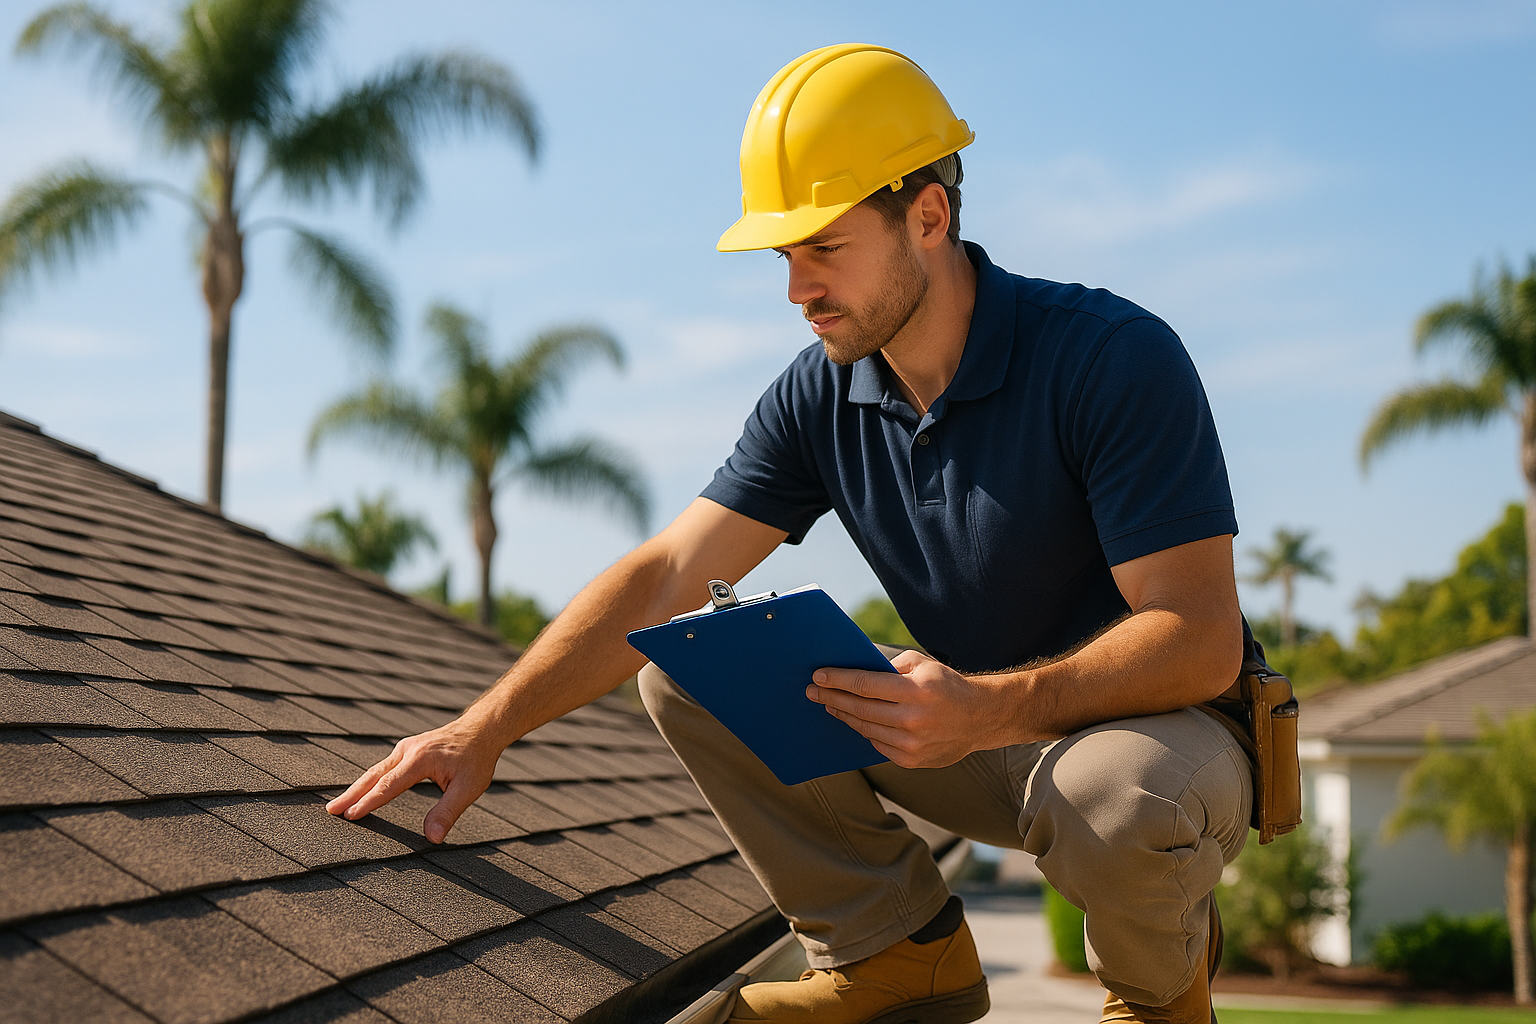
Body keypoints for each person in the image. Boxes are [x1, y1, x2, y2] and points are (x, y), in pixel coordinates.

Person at [327, 43, 1253, 1024]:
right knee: (694, 661)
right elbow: (665, 575)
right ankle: (899, 957)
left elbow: (1200, 639)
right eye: (786, 255)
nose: (797, 289)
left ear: (928, 216)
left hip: (1159, 739)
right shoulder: (822, 393)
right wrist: (485, 726)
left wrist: (985, 708)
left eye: (825, 248)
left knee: (1123, 798)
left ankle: (1159, 999)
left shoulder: (1110, 358)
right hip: (973, 741)